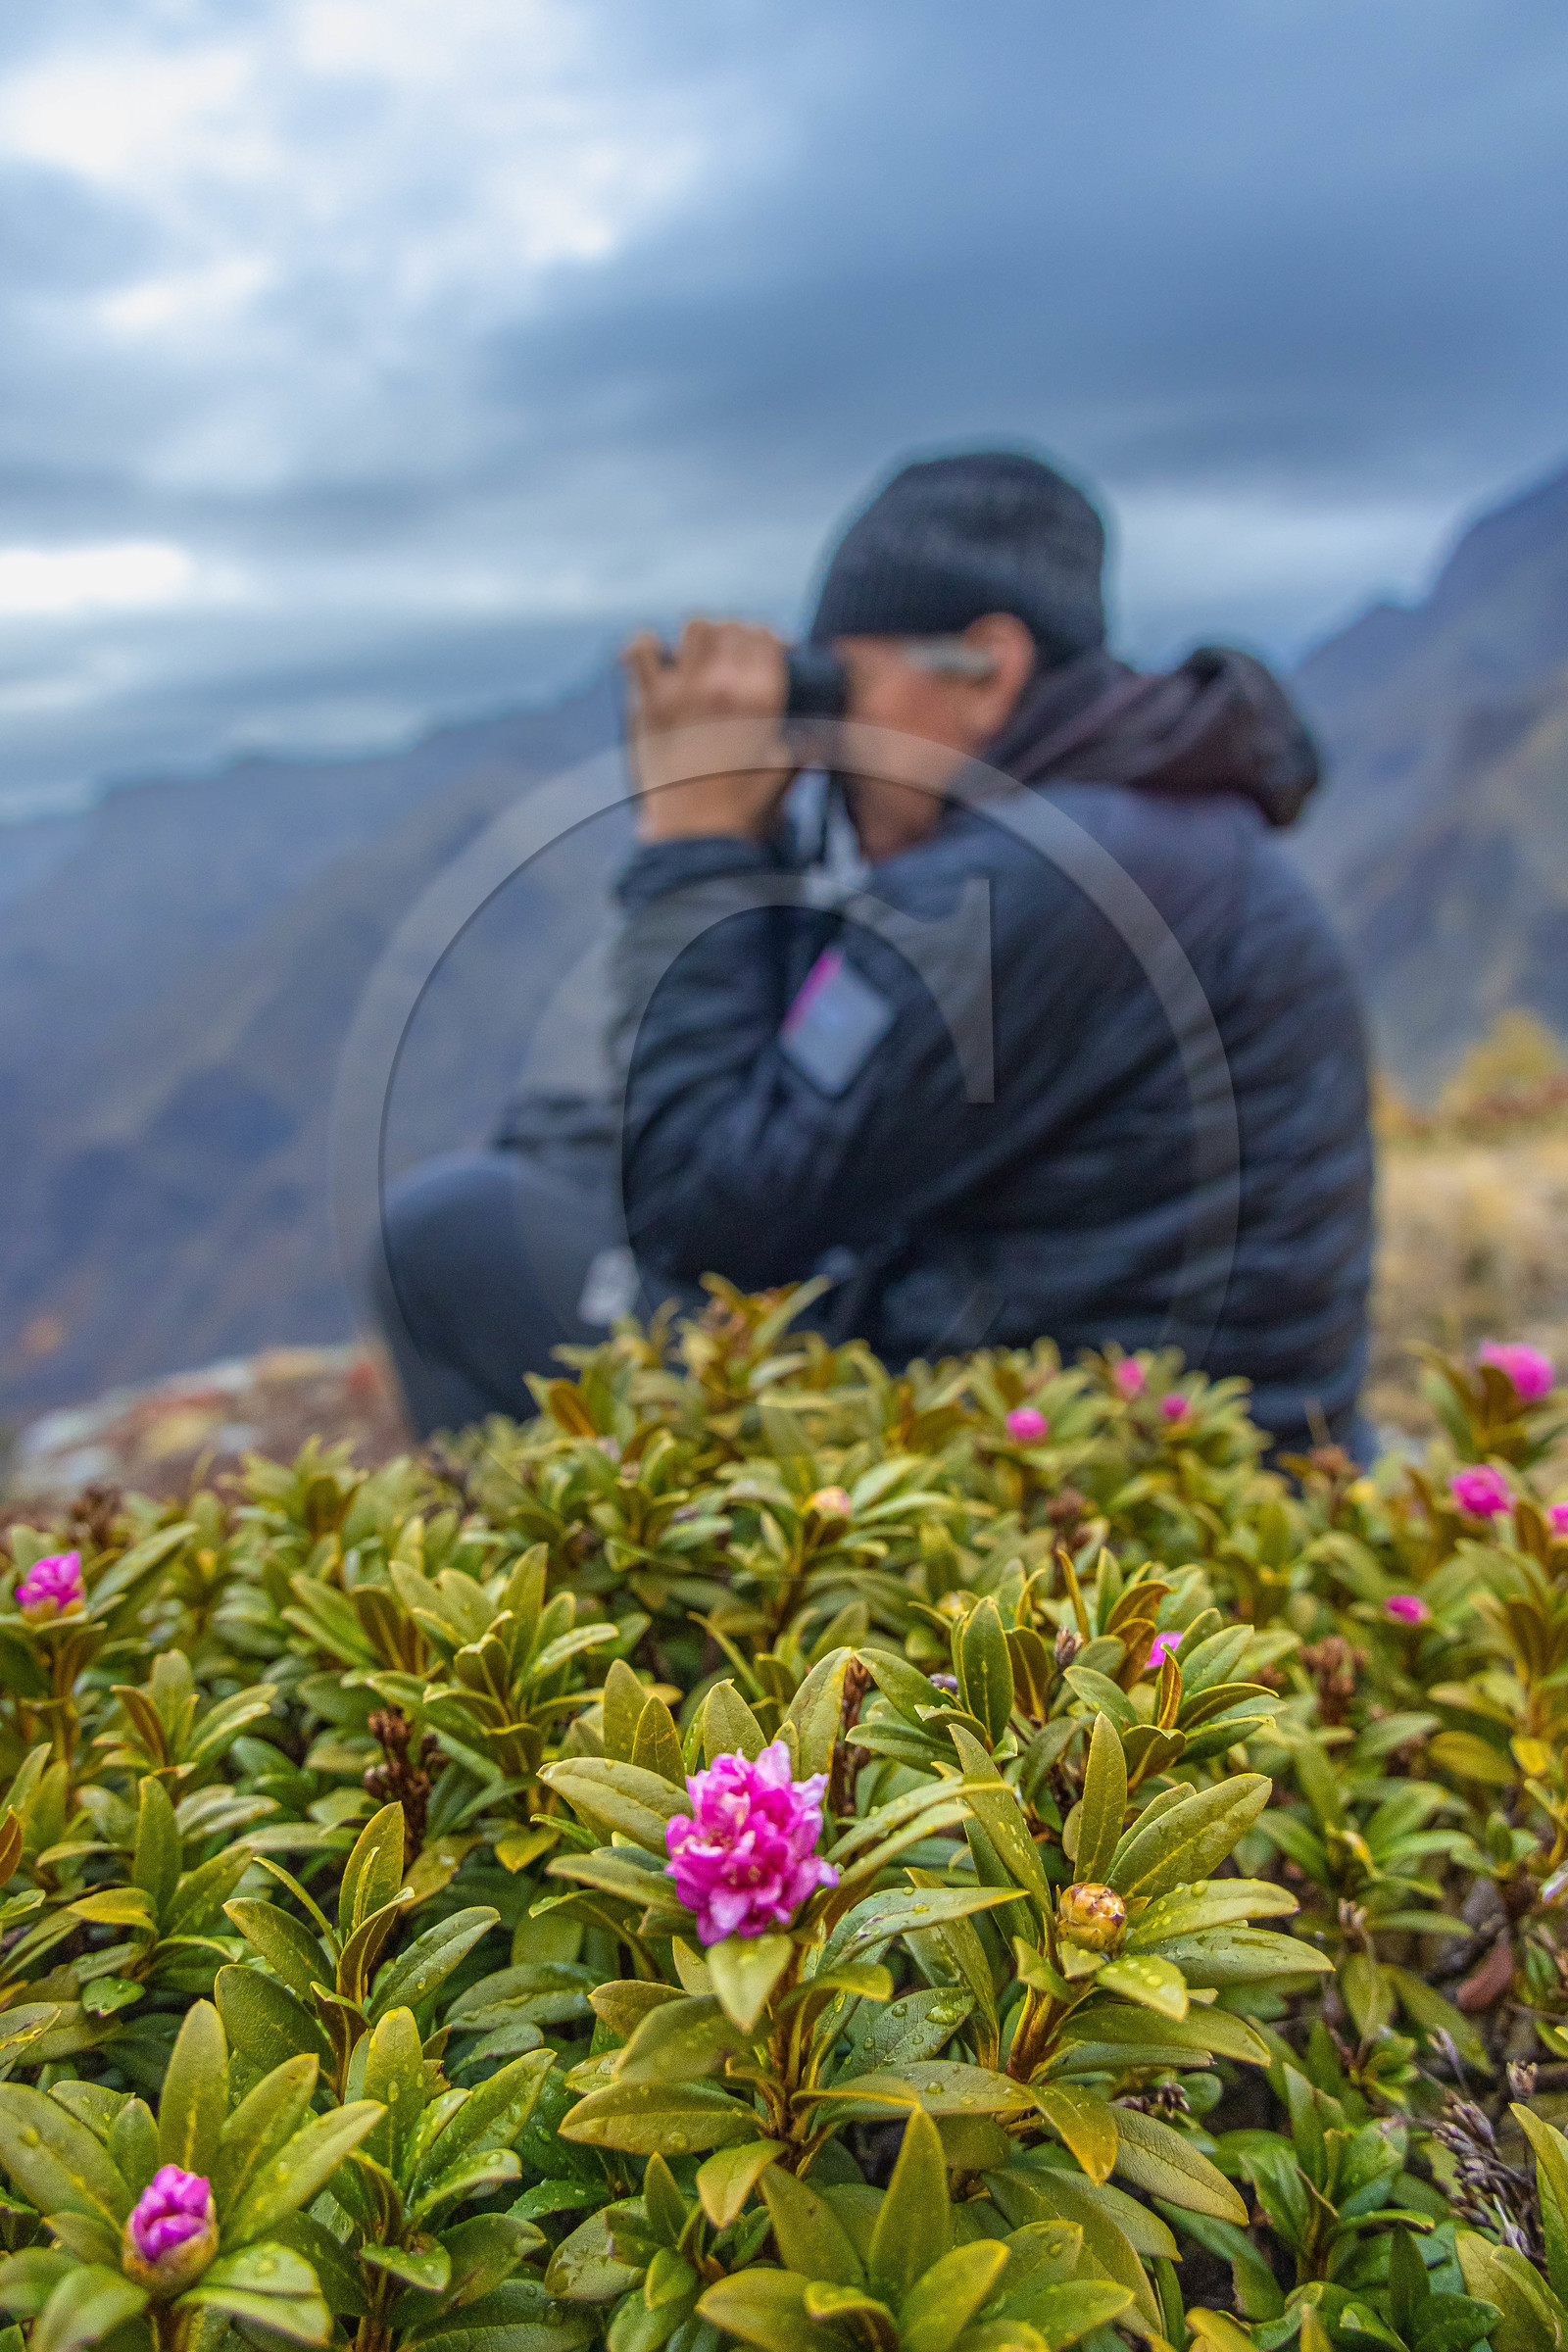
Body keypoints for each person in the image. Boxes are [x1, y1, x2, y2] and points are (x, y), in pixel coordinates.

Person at [375, 450, 1373, 1457]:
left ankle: (574, 1600)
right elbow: (789, 1113)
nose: (827, 735)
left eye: (840, 681)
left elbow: (704, 1215)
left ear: (989, 670)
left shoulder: (1027, 880)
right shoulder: (1136, 834)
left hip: (1083, 1479)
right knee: (554, 1144)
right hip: (1150, 1419)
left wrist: (696, 850)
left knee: (451, 1235)